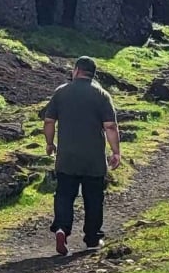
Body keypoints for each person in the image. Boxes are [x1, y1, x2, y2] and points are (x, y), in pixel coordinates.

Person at [42, 55, 120, 255]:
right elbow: (110, 126)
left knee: (64, 195)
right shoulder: (102, 95)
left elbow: (49, 121)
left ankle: (61, 228)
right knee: (93, 198)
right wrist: (116, 152)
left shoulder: (61, 93)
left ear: (76, 70)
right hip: (93, 159)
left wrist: (50, 144)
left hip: (67, 157)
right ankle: (92, 238)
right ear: (93, 74)